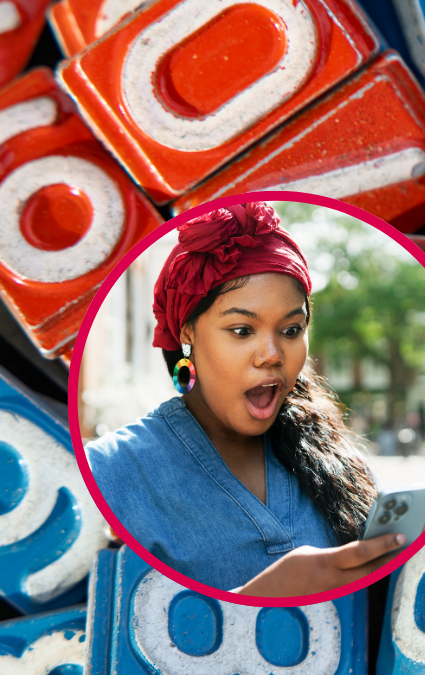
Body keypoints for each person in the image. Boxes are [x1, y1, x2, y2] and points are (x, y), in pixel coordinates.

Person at [85, 202, 404, 596]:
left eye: (290, 330)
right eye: (241, 330)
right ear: (188, 333)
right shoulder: (108, 473)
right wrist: (259, 599)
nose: (272, 354)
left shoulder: (337, 458)